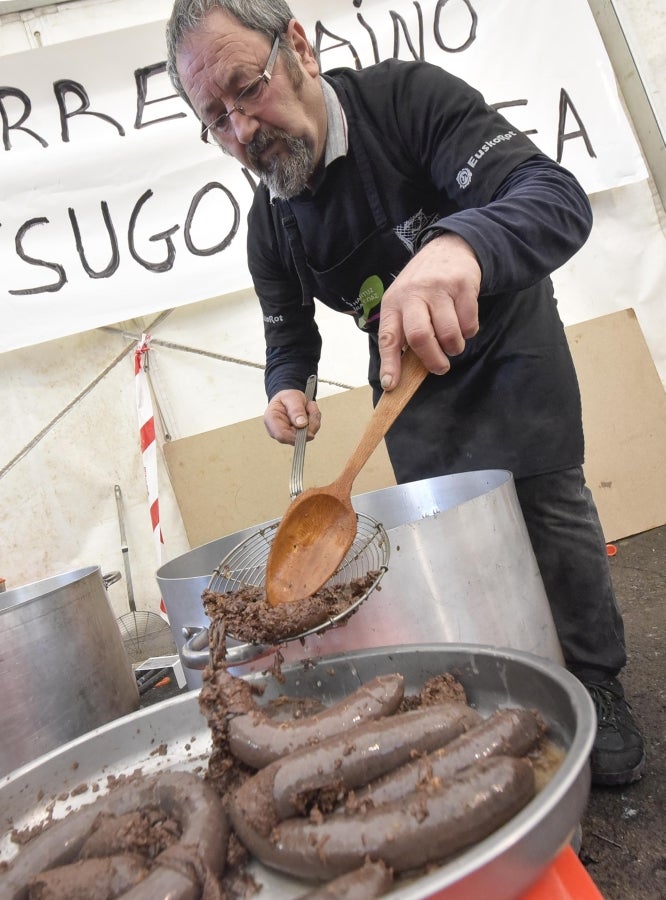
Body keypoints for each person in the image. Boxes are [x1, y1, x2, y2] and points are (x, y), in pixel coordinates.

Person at [166, 0, 646, 785]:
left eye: (246, 88)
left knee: (551, 511)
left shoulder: (408, 101)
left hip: (509, 346)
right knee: (455, 549)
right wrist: (287, 388)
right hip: (405, 382)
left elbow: (553, 196)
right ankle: (506, 686)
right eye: (215, 119)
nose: (242, 132)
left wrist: (461, 244)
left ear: (298, 48)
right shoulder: (271, 224)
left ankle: (597, 680)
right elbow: (289, 334)